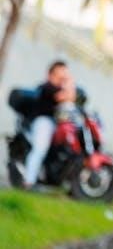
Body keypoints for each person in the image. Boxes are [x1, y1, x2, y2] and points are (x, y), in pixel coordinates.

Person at [22, 60, 77, 190]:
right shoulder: (47, 87)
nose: (63, 74)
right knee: (40, 149)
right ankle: (28, 182)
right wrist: (70, 81)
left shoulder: (59, 88)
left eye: (65, 71)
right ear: (52, 73)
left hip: (56, 123)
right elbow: (67, 97)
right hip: (44, 121)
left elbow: (71, 99)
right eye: (61, 71)